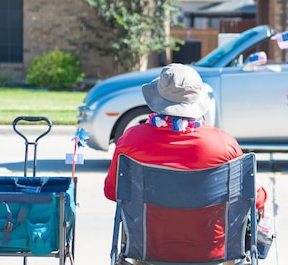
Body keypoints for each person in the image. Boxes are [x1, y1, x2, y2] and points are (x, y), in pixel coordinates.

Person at [103, 63, 267, 265]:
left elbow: (112, 192)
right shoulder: (224, 145)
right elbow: (255, 199)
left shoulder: (132, 140)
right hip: (214, 254)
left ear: (158, 99)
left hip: (149, 252)